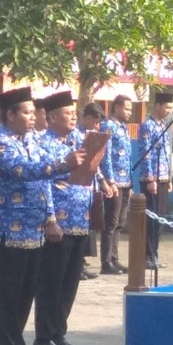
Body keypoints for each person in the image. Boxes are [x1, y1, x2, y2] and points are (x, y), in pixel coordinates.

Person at [0, 87, 84, 345]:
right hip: (7, 230)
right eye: (26, 112)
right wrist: (63, 163)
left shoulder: (29, 141)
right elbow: (24, 171)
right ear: (10, 115)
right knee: (5, 294)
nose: (32, 117)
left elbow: (44, 181)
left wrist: (50, 216)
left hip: (33, 229)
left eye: (32, 112)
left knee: (25, 293)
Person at [32, 91, 92, 345]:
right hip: (58, 223)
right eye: (68, 114)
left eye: (74, 113)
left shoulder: (77, 140)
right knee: (51, 283)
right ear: (52, 117)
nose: (73, 118)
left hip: (80, 220)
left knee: (69, 283)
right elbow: (42, 184)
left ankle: (59, 333)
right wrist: (50, 219)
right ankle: (43, 337)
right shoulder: (42, 144)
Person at [138, 92, 173, 269]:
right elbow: (145, 154)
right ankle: (147, 256)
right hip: (151, 179)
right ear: (158, 106)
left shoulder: (163, 126)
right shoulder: (148, 126)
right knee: (151, 218)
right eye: (167, 107)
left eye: (171, 108)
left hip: (163, 178)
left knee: (160, 219)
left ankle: (154, 254)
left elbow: (166, 154)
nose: (169, 111)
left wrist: (169, 178)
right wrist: (150, 179)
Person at [99, 95, 133, 275]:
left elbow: (127, 158)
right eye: (127, 109)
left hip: (125, 181)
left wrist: (130, 182)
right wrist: (110, 180)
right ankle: (106, 262)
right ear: (117, 107)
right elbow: (106, 156)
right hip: (114, 182)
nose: (129, 112)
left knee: (120, 222)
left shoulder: (124, 128)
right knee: (110, 222)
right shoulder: (108, 126)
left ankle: (114, 259)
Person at [79, 102, 106, 279]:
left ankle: (81, 264)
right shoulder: (78, 136)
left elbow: (94, 163)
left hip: (90, 186)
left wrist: (102, 181)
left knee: (88, 227)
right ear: (87, 118)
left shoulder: (91, 135)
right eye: (95, 122)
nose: (97, 126)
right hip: (79, 187)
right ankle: (78, 265)